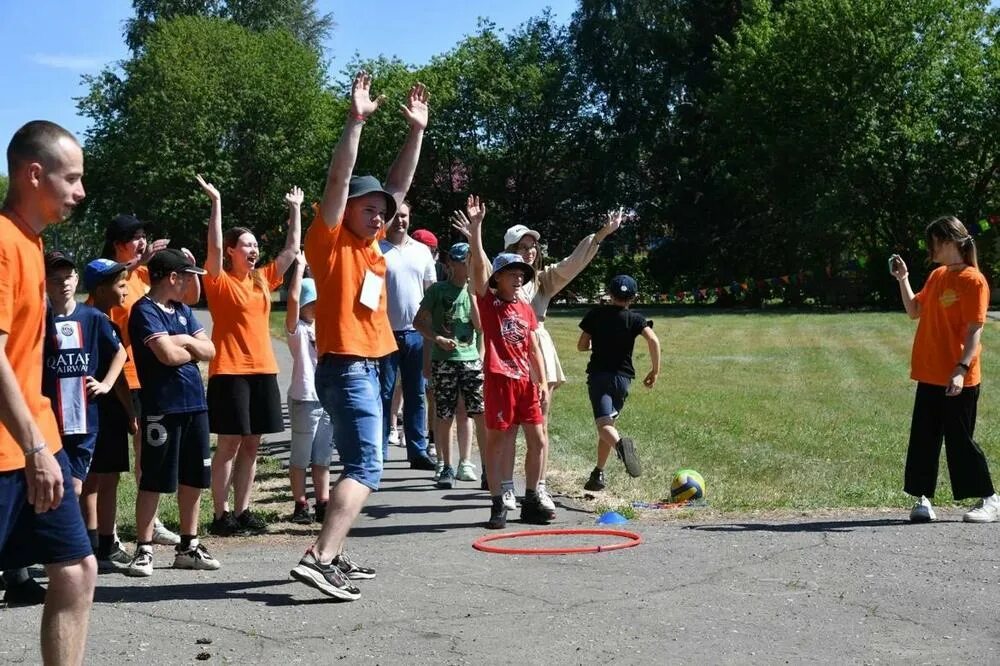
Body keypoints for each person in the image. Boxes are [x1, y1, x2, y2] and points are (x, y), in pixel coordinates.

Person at [289, 71, 428, 601]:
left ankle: (335, 550)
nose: (378, 216)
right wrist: (355, 121)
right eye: (367, 209)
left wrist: (415, 132)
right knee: (370, 465)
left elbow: (397, 187)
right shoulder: (329, 240)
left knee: (358, 462)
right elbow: (337, 181)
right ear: (345, 210)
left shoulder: (373, 248)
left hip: (368, 366)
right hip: (347, 365)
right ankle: (319, 558)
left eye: (381, 213)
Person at [453, 208, 624, 511]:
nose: (529, 251)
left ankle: (537, 489)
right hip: (504, 357)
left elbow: (574, 264)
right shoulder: (497, 284)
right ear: (508, 252)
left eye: (532, 246)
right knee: (506, 432)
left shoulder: (542, 280)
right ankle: (505, 488)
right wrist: (475, 236)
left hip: (536, 353)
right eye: (521, 246)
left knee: (539, 429)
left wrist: (600, 236)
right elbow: (479, 274)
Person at [0, 119, 95, 663]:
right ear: (35, 175)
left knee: (78, 570)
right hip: (12, 448)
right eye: (72, 179)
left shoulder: (33, 245)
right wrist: (35, 448)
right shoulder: (4, 242)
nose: (80, 192)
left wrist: (42, 444)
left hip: (38, 439)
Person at [197, 177, 301, 536]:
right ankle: (220, 514)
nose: (253, 250)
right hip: (230, 371)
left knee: (253, 443)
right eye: (246, 245)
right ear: (231, 251)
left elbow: (290, 252)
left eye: (256, 245)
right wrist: (217, 202)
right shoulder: (218, 280)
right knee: (229, 444)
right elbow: (211, 245)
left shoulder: (261, 280)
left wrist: (296, 210)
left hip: (263, 370)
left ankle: (242, 511)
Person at [890, 216, 1000, 523]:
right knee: (924, 439)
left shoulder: (973, 280)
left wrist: (961, 368)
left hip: (957, 376)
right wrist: (903, 278)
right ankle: (923, 500)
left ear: (950, 242)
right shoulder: (938, 275)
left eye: (933, 241)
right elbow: (914, 310)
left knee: (959, 439)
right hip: (929, 373)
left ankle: (990, 499)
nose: (930, 248)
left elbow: (975, 330)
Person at [100, 212, 193, 548]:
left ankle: (149, 524)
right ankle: (106, 535)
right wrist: (140, 261)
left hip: (146, 376)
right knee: (110, 464)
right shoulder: (108, 274)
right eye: (135, 237)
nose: (142, 242)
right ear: (118, 243)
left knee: (147, 454)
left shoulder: (141, 275)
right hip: (117, 377)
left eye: (144, 237)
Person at [126, 249, 221, 576]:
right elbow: (165, 354)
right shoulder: (144, 311)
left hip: (195, 405)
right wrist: (185, 345)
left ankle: (189, 545)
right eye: (187, 274)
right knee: (154, 479)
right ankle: (144, 547)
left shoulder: (182, 310)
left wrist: (183, 342)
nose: (191, 281)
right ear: (172, 277)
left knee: (195, 477)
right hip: (162, 408)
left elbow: (209, 350)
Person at [465, 195, 554, 529]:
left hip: (526, 383)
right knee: (498, 441)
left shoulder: (525, 307)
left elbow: (532, 347)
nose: (519, 278)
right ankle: (498, 500)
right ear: (498, 278)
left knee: (539, 439)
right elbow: (478, 270)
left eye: (522, 274)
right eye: (512, 273)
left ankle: (531, 496)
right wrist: (476, 229)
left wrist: (542, 381)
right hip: (500, 379)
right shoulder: (489, 304)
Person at [42, 251, 128, 497]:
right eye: (56, 279)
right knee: (52, 486)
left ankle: (76, 535)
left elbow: (119, 352)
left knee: (75, 489)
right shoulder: (39, 319)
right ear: (45, 282)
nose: (64, 284)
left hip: (83, 421)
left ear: (77, 279)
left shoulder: (92, 317)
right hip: (49, 419)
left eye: (68, 277)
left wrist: (106, 384)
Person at [413, 241, 487, 488]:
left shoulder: (477, 290)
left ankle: (468, 462)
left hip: (470, 360)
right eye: (460, 261)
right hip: (444, 360)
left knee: (471, 412)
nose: (465, 265)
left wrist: (474, 292)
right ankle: (445, 464)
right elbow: (419, 322)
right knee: (444, 412)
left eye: (469, 260)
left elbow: (480, 327)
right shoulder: (437, 291)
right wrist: (437, 338)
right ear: (450, 264)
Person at [577, 275, 660, 490]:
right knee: (608, 424)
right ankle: (598, 474)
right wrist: (654, 370)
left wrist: (595, 343)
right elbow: (653, 340)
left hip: (599, 376)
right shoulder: (635, 319)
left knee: (603, 425)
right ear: (633, 297)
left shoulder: (595, 315)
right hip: (623, 379)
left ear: (610, 294)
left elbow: (581, 345)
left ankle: (621, 447)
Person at [82, 258, 136, 570]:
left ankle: (92, 541)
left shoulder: (84, 318)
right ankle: (104, 543)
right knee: (105, 480)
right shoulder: (102, 322)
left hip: (90, 411)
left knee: (92, 479)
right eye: (120, 285)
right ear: (102, 291)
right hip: (105, 412)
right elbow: (121, 374)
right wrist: (130, 412)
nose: (126, 289)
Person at [378, 201, 437, 469]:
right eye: (396, 216)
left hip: (416, 334)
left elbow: (431, 293)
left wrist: (433, 331)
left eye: (404, 216)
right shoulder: (375, 250)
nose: (400, 221)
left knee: (416, 394)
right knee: (383, 395)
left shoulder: (422, 252)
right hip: (382, 334)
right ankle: (378, 452)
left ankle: (418, 451)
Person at [285, 255, 334, 524]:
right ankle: (300, 503)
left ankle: (323, 501)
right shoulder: (298, 330)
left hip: (326, 398)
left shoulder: (324, 326)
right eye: (310, 302)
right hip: (305, 397)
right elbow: (292, 300)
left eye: (318, 302)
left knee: (323, 456)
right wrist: (301, 268)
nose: (316, 307)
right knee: (301, 455)